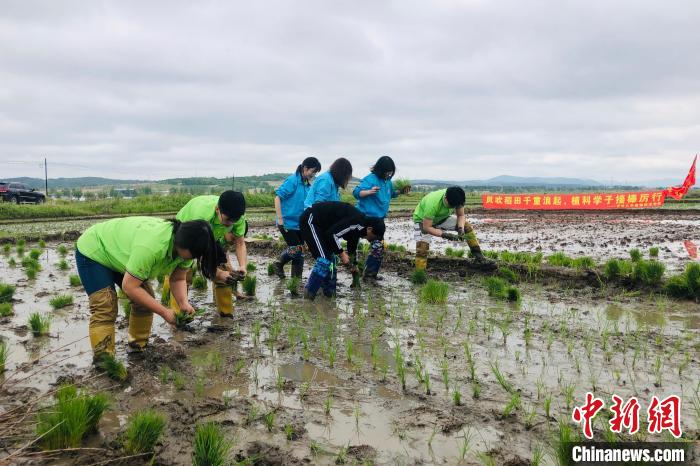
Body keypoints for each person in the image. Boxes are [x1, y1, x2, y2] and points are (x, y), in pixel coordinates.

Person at [75, 218, 219, 360]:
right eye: (195, 255)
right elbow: (130, 287)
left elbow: (178, 278)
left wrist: (183, 303)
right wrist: (164, 312)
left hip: (122, 254)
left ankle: (137, 348)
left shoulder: (187, 251)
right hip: (95, 250)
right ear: (181, 244)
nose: (195, 258)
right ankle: (104, 362)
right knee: (105, 305)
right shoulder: (153, 246)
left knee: (145, 299)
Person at [174, 190, 247, 315]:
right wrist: (217, 272)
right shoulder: (202, 215)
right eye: (228, 219)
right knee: (182, 273)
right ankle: (178, 317)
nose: (231, 224)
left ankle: (226, 315)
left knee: (225, 274)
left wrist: (242, 266)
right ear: (217, 209)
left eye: (234, 220)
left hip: (213, 234)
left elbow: (240, 243)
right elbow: (201, 252)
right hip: (186, 232)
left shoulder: (237, 217)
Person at [300, 201, 385, 299]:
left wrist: (354, 264)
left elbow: (352, 245)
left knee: (332, 261)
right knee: (324, 259)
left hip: (324, 228)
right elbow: (332, 235)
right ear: (370, 229)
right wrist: (341, 253)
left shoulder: (359, 229)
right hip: (311, 220)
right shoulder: (356, 223)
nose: (373, 240)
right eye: (375, 237)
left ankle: (329, 294)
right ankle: (308, 295)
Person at [352, 156, 410, 281]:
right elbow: (356, 192)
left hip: (379, 221)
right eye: (387, 171)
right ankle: (354, 270)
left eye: (391, 172)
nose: (389, 174)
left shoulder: (387, 181)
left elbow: (392, 193)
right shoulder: (370, 179)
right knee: (354, 244)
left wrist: (401, 192)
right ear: (380, 169)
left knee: (378, 246)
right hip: (365, 218)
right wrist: (369, 191)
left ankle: (369, 274)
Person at [412, 186, 493, 270]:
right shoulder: (433, 204)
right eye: (452, 206)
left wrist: (460, 229)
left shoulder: (458, 199)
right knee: (422, 247)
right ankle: (420, 272)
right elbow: (427, 227)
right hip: (422, 221)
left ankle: (479, 257)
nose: (453, 208)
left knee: (466, 226)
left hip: (441, 218)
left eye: (455, 206)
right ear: (445, 198)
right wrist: (445, 235)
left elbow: (461, 215)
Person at [273, 157, 322, 279]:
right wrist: (280, 219)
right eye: (313, 171)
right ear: (305, 168)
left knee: (299, 253)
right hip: (287, 222)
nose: (313, 174)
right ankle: (279, 263)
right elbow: (277, 198)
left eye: (315, 173)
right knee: (297, 250)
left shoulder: (307, 184)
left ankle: (295, 282)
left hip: (300, 223)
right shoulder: (293, 181)